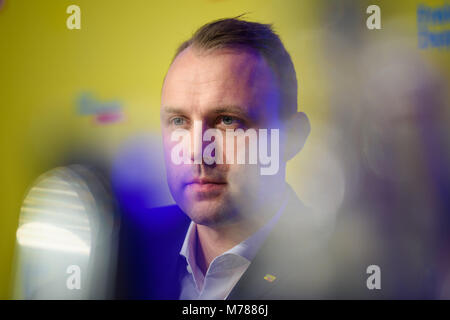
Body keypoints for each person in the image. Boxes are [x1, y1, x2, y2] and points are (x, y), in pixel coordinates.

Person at [116, 17, 367, 300]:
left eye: (227, 121)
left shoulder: (341, 279)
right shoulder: (128, 254)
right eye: (178, 121)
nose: (197, 151)